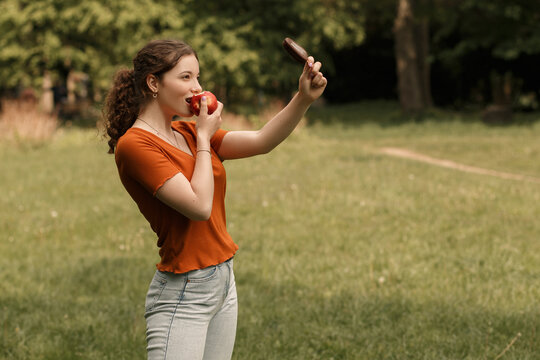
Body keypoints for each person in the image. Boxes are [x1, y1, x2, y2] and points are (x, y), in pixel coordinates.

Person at [103, 39, 327, 360]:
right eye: (185, 77)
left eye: (197, 77)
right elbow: (198, 206)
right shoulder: (136, 145)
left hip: (222, 282)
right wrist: (206, 138)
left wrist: (303, 98)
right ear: (153, 82)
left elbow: (262, 141)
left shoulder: (187, 132)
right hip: (184, 291)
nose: (197, 88)